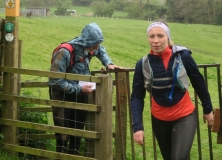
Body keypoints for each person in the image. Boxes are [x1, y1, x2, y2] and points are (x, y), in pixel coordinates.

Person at [130, 20, 214, 160]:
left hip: (184, 116)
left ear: (168, 37)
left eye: (160, 36)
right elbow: (137, 96)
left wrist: (207, 109)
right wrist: (137, 127)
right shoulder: (143, 64)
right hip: (159, 119)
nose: (156, 41)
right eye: (152, 36)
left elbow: (198, 82)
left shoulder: (183, 57)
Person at [49, 22, 124, 155]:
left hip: (81, 92)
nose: (96, 47)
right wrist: (78, 89)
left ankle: (75, 157)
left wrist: (109, 64)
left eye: (98, 44)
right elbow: (55, 81)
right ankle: (61, 157)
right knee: (63, 132)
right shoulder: (64, 52)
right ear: (87, 41)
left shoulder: (91, 47)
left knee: (78, 130)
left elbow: (101, 51)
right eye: (95, 44)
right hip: (61, 94)